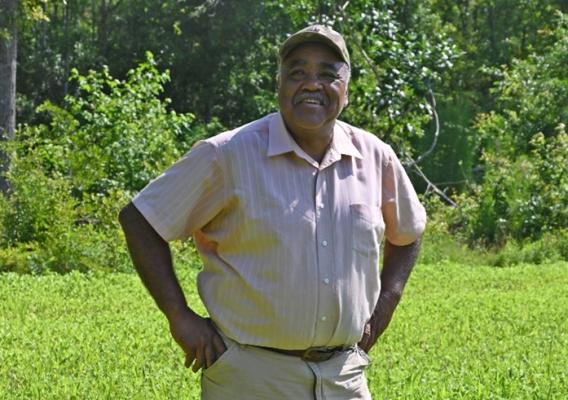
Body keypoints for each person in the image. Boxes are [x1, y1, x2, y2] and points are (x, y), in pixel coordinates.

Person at [119, 24, 426, 400]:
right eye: (297, 73)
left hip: (344, 379)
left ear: (346, 90)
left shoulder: (375, 157)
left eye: (328, 74)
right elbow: (140, 219)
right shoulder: (228, 155)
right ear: (279, 85)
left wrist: (384, 309)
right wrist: (179, 317)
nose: (312, 84)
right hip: (250, 377)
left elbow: (409, 233)